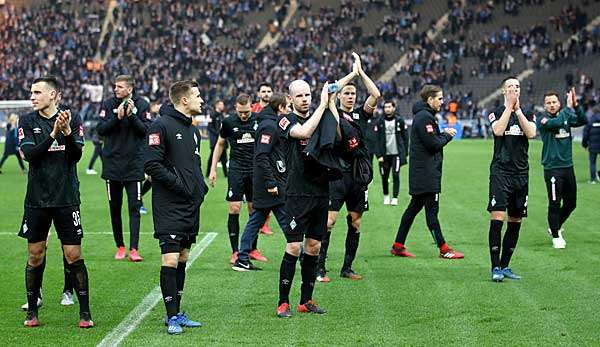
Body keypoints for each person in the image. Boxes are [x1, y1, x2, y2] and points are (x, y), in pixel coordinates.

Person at [18, 75, 92, 328]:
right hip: (37, 200)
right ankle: (32, 312)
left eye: (37, 92)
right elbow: (30, 154)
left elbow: (76, 155)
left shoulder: (74, 118)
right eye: (32, 92)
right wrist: (53, 134)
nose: (32, 97)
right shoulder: (27, 121)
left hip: (66, 198)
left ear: (53, 95)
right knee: (35, 254)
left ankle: (84, 313)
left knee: (73, 255)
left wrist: (68, 132)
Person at [144, 80, 208, 335]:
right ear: (184, 100)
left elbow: (193, 164)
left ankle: (177, 312)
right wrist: (180, 185)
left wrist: (199, 188)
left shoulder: (191, 129)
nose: (201, 100)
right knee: (169, 258)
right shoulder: (160, 125)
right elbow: (151, 165)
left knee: (182, 257)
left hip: (190, 205)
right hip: (169, 204)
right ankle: (171, 317)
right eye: (197, 95)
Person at [317, 52, 380, 283]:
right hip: (337, 174)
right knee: (329, 221)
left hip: (358, 176)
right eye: (347, 93)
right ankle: (319, 268)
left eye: (353, 93)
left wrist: (361, 73)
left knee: (355, 221)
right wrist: (350, 74)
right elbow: (330, 90)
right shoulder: (332, 112)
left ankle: (347, 267)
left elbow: (376, 94)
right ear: (341, 95)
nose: (351, 96)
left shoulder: (362, 114)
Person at [276, 80, 336, 318]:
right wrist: (322, 106)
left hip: (320, 191)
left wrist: (330, 104)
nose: (305, 99)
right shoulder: (286, 121)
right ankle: (283, 302)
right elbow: (303, 132)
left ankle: (306, 300)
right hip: (296, 193)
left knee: (314, 247)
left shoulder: (320, 115)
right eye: (299, 96)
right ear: (290, 99)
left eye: (308, 95)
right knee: (293, 246)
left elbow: (338, 134)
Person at [390, 85, 464, 260]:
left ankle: (398, 245)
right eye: (439, 98)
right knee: (431, 212)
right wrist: (447, 135)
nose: (442, 101)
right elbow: (433, 144)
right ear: (429, 100)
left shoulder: (424, 116)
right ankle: (444, 249)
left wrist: (442, 134)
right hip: (427, 175)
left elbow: (430, 140)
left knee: (413, 209)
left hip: (422, 173)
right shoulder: (425, 118)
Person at [485, 76, 536, 282]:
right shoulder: (495, 112)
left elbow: (531, 133)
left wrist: (518, 110)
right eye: (510, 87)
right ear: (504, 91)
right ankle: (495, 267)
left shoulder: (527, 112)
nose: (514, 89)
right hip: (500, 173)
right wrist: (509, 108)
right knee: (498, 217)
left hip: (521, 175)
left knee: (515, 220)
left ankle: (505, 265)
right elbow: (498, 130)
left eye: (517, 86)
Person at [232, 93, 291, 271]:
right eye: (287, 105)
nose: (288, 108)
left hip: (267, 181)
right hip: (269, 184)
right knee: (286, 219)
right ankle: (303, 255)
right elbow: (261, 157)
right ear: (280, 107)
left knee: (256, 219)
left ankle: (242, 257)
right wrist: (271, 183)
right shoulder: (269, 126)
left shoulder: (268, 122)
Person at [96, 75, 151, 262]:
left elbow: (146, 130)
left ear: (130, 89)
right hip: (112, 164)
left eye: (119, 87)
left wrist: (131, 116)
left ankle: (134, 249)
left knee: (134, 207)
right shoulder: (108, 103)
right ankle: (120, 246)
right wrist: (117, 117)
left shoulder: (142, 104)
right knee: (115, 207)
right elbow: (100, 129)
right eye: (115, 86)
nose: (115, 90)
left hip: (134, 165)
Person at [209, 94, 267, 264]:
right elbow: (220, 144)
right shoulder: (228, 122)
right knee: (234, 208)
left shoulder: (259, 119)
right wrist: (213, 168)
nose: (243, 115)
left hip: (255, 170)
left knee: (253, 209)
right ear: (235, 108)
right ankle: (235, 251)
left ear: (252, 107)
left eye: (246, 112)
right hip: (236, 169)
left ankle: (252, 249)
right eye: (241, 112)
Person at [537, 88, 587, 249]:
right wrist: (567, 107)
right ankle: (556, 236)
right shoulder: (542, 120)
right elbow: (556, 123)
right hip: (552, 169)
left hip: (568, 167)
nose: (552, 105)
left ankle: (555, 226)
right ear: (544, 106)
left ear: (558, 103)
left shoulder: (566, 116)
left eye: (554, 102)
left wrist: (576, 105)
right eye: (548, 103)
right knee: (554, 203)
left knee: (571, 203)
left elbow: (583, 120)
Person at [251, 82, 275, 236]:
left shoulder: (274, 110)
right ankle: (258, 222)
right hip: (255, 154)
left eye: (269, 91)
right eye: (264, 91)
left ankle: (265, 224)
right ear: (259, 94)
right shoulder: (253, 110)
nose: (266, 94)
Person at [376, 100, 408, 206]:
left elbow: (405, 137)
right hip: (384, 155)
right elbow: (376, 139)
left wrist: (405, 152)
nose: (387, 109)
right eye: (385, 107)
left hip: (396, 154)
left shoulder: (400, 121)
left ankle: (395, 198)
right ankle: (386, 196)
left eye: (389, 107)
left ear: (394, 108)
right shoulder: (380, 122)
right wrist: (379, 155)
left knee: (395, 174)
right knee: (384, 176)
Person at [205, 100, 228, 178]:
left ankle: (226, 175)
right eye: (221, 104)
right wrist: (218, 134)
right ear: (217, 105)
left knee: (224, 158)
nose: (223, 106)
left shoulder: (222, 115)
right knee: (212, 157)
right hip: (215, 141)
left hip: (222, 140)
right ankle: (208, 173)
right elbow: (210, 127)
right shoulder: (212, 115)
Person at [582, 105, 600, 183]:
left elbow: (585, 134)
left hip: (593, 146)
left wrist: (585, 144)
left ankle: (593, 179)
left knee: (592, 162)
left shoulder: (590, 121)